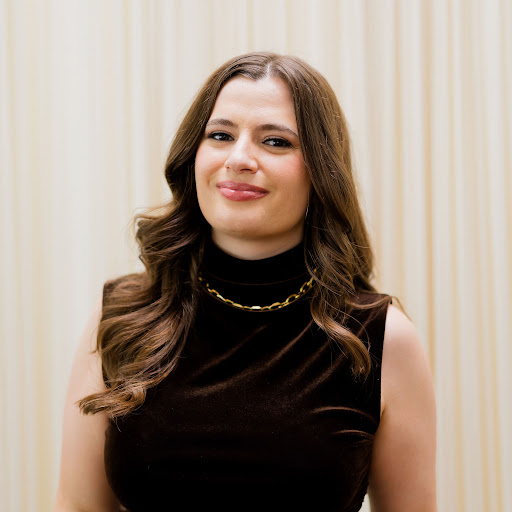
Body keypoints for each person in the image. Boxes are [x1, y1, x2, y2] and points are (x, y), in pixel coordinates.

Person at [54, 52, 437, 512]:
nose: (238, 159)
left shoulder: (380, 338)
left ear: (321, 169)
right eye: (220, 135)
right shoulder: (122, 316)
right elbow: (76, 506)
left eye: (275, 141)